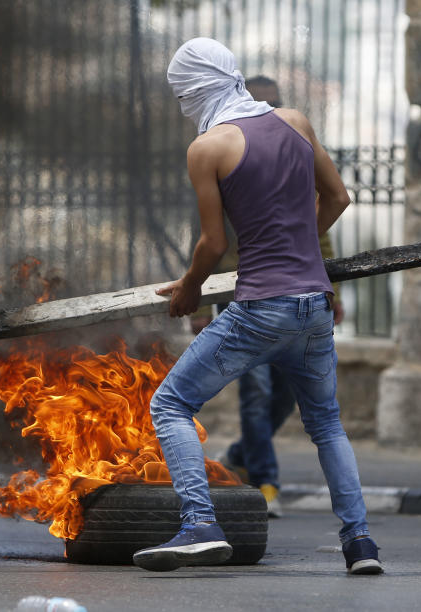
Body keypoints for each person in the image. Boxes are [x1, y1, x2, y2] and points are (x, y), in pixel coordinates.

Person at [132, 37, 381, 575]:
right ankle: (360, 544)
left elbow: (213, 245)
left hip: (259, 309)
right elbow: (337, 197)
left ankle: (200, 524)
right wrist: (303, 255)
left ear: (193, 91)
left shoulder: (209, 149)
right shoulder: (295, 121)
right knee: (327, 426)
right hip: (313, 305)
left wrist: (191, 287)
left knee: (170, 405)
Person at [193, 75, 346, 518]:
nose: (268, 113)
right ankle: (265, 483)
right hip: (245, 294)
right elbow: (208, 237)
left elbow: (325, 207)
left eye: (275, 104)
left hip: (300, 287)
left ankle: (241, 455)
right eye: (262, 103)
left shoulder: (293, 138)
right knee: (258, 394)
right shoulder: (222, 150)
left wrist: (326, 284)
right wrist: (201, 300)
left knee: (287, 398)